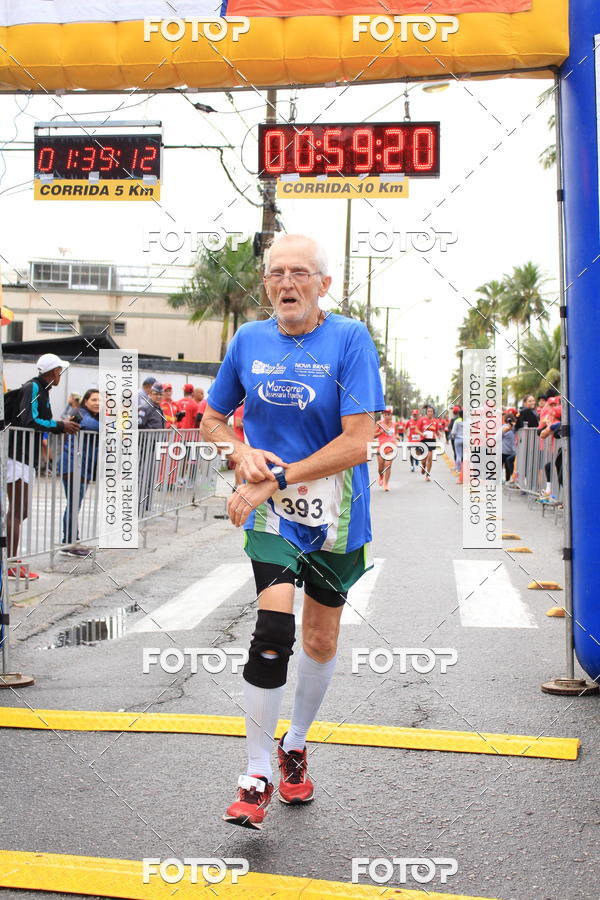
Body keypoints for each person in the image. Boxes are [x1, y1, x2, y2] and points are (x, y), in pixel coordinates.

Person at [201, 233, 384, 831]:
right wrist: (239, 453)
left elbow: (358, 441)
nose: (285, 282)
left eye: (300, 272)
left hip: (336, 507)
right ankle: (254, 772)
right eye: (276, 272)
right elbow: (211, 420)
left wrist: (271, 476)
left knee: (321, 640)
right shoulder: (250, 340)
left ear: (323, 284)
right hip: (272, 514)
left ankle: (295, 744)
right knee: (274, 628)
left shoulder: (350, 338)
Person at [7, 353, 80, 579]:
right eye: (60, 371)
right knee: (18, 510)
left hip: (24, 456)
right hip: (15, 455)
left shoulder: (42, 389)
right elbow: (30, 420)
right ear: (52, 371)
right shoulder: (34, 388)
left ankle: (10, 558)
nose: (61, 375)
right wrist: (60, 425)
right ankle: (9, 562)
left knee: (21, 511)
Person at [59, 388, 100, 556]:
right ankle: (69, 543)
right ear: (85, 401)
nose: (98, 403)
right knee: (74, 504)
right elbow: (97, 426)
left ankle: (72, 541)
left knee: (75, 504)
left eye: (100, 400)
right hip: (73, 464)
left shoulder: (92, 415)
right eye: (94, 400)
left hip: (83, 467)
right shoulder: (80, 414)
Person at [138, 382, 166, 513]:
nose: (159, 397)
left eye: (161, 394)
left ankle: (146, 505)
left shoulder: (158, 408)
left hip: (154, 447)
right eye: (156, 394)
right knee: (142, 477)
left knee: (149, 477)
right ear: (150, 394)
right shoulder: (146, 407)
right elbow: (138, 426)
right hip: (145, 447)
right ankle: (138, 506)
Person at [417, 405, 441, 482]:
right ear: (426, 412)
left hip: (432, 441)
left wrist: (439, 434)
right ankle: (423, 466)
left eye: (431, 411)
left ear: (433, 413)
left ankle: (427, 475)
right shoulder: (422, 420)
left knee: (430, 457)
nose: (430, 413)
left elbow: (437, 431)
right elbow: (416, 429)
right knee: (424, 460)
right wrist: (421, 434)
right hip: (423, 440)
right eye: (428, 411)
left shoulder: (436, 421)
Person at [374, 407, 396, 491]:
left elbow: (396, 434)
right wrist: (381, 432)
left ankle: (386, 484)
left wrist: (397, 439)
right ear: (383, 415)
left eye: (389, 415)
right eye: (385, 415)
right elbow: (374, 435)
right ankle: (381, 475)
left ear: (391, 415)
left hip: (391, 448)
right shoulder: (379, 423)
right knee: (380, 468)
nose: (387, 416)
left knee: (388, 465)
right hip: (381, 448)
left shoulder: (394, 424)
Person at [501, 412, 517, 483]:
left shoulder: (503, 427)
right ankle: (507, 479)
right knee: (508, 466)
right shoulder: (514, 428)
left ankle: (503, 480)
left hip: (503, 450)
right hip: (511, 450)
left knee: (502, 466)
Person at [451, 408, 464, 479]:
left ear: (459, 415)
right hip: (466, 440)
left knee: (458, 455)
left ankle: (458, 469)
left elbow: (453, 432)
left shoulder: (457, 421)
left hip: (458, 439)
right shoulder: (469, 421)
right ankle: (465, 469)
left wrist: (454, 437)